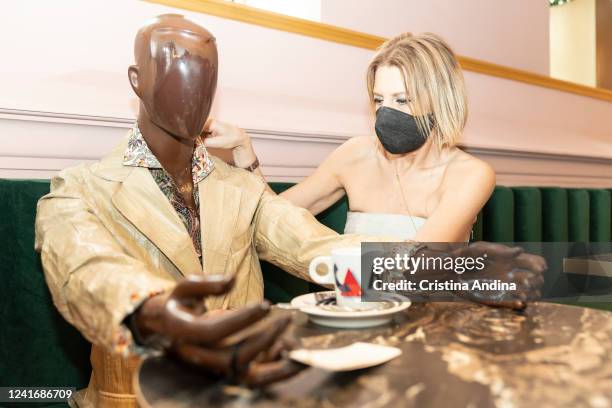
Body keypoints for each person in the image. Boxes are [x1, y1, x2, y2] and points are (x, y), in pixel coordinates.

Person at [35, 15, 544, 408]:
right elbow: (84, 266)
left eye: (206, 75)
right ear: (136, 80)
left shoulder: (241, 191)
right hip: (140, 396)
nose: (193, 88)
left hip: (253, 392)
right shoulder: (80, 188)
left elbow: (319, 247)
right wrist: (147, 311)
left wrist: (453, 269)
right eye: (173, 69)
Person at [207, 32, 493, 242]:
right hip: (352, 311)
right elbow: (273, 217)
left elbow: (416, 267)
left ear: (441, 101)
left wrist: (322, 255)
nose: (386, 113)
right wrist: (244, 149)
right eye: (379, 100)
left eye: (402, 100)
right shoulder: (355, 155)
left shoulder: (470, 174)